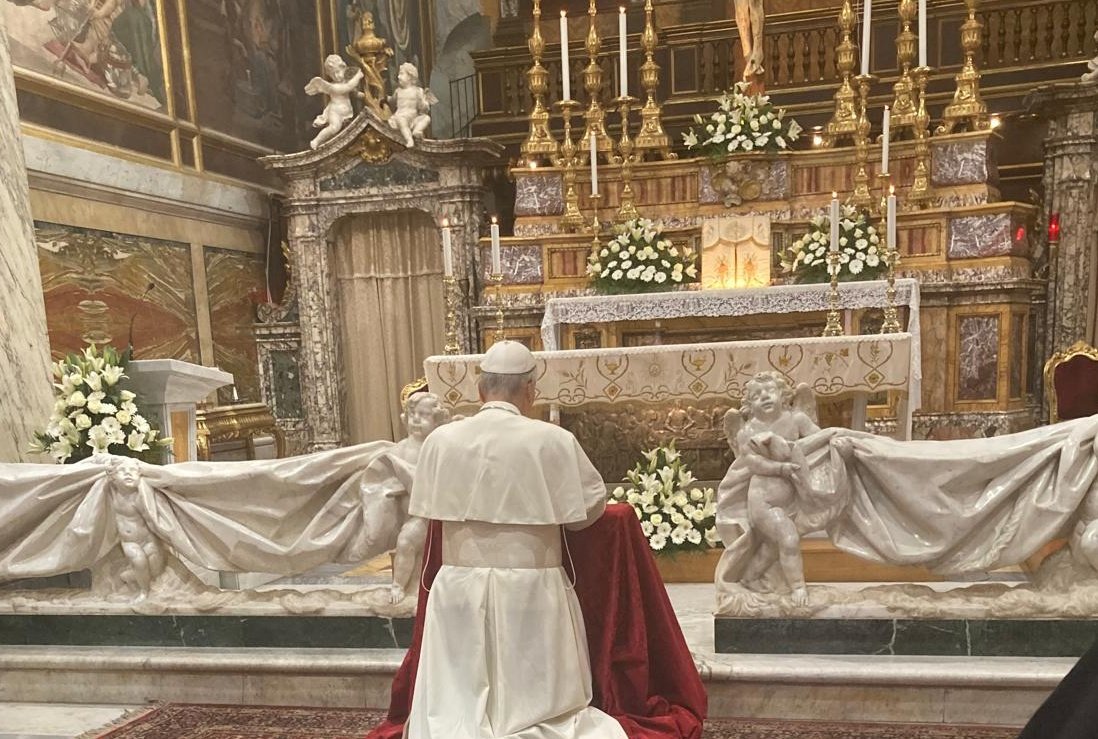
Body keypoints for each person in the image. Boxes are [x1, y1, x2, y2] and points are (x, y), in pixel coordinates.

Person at [404, 340, 627, 738]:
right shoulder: (552, 439)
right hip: (533, 587)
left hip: (458, 586)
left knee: (456, 704)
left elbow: (427, 515)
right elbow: (587, 514)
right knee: (542, 702)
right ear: (530, 391)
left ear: (479, 389)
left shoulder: (440, 440)